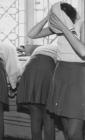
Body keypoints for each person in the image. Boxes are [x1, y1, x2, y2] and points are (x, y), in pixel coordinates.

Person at [46, 2, 85, 140]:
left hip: (78, 76)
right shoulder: (59, 29)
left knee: (75, 133)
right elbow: (32, 34)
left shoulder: (82, 23)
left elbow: (83, 51)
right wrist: (48, 19)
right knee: (68, 133)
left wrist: (63, 26)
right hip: (61, 74)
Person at [17, 44, 57, 140]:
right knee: (48, 119)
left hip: (30, 73)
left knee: (35, 118)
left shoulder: (37, 51)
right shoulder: (59, 48)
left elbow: (22, 70)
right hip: (47, 71)